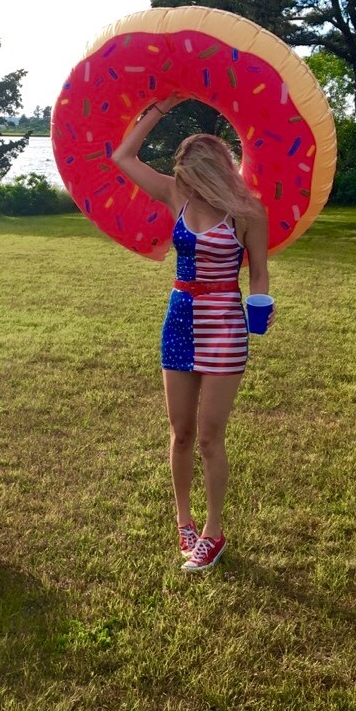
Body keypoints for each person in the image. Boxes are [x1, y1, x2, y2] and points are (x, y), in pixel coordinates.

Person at [112, 93, 274, 571]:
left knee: (209, 437)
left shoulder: (248, 210)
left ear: (211, 169)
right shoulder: (176, 195)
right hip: (180, 319)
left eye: (188, 169)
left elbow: (259, 272)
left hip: (225, 324)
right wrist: (158, 110)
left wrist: (261, 307)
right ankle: (184, 522)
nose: (180, 177)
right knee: (180, 433)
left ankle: (213, 532)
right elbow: (123, 157)